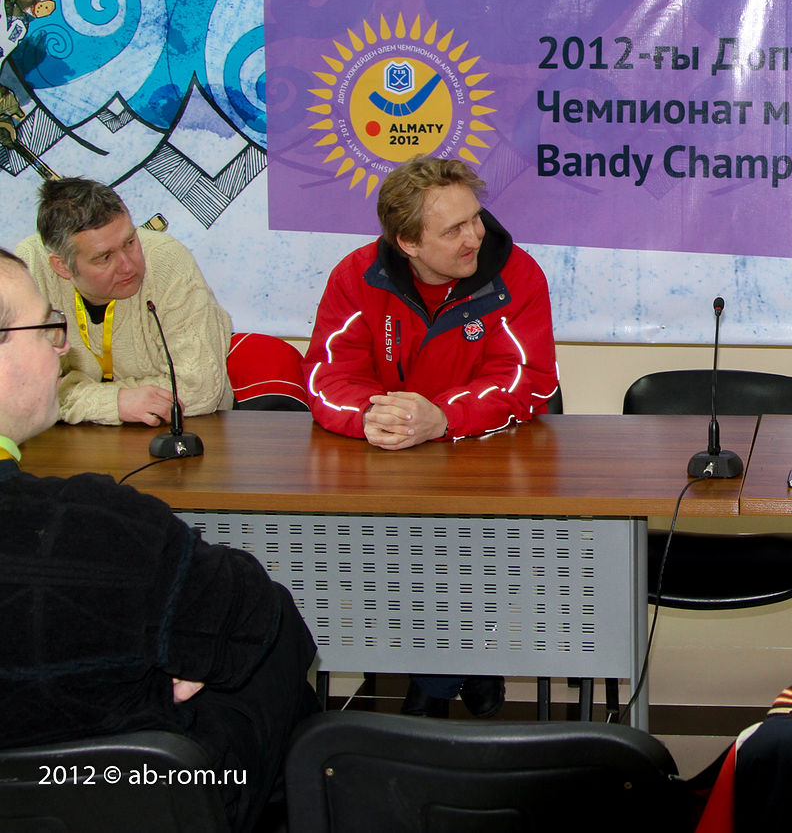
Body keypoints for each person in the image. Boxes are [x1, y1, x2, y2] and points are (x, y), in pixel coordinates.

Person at [0, 246, 318, 832]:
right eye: (46, 328)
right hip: (116, 794)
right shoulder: (96, 525)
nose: (61, 347)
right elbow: (261, 619)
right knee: (269, 646)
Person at [304, 154, 558, 718]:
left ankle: (432, 688)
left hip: (488, 469)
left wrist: (442, 417)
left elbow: (528, 380)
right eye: (453, 230)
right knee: (380, 551)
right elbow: (327, 376)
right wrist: (370, 417)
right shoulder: (357, 276)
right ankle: (466, 670)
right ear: (408, 243)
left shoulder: (516, 274)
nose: (475, 236)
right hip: (390, 469)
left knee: (463, 549)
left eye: (475, 218)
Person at [16, 177, 233, 426]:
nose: (128, 266)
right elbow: (19, 389)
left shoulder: (167, 261)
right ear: (62, 266)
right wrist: (115, 402)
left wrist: (76, 396)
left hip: (183, 430)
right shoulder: (30, 269)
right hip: (68, 438)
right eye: (104, 258)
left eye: (130, 242)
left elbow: (200, 389)